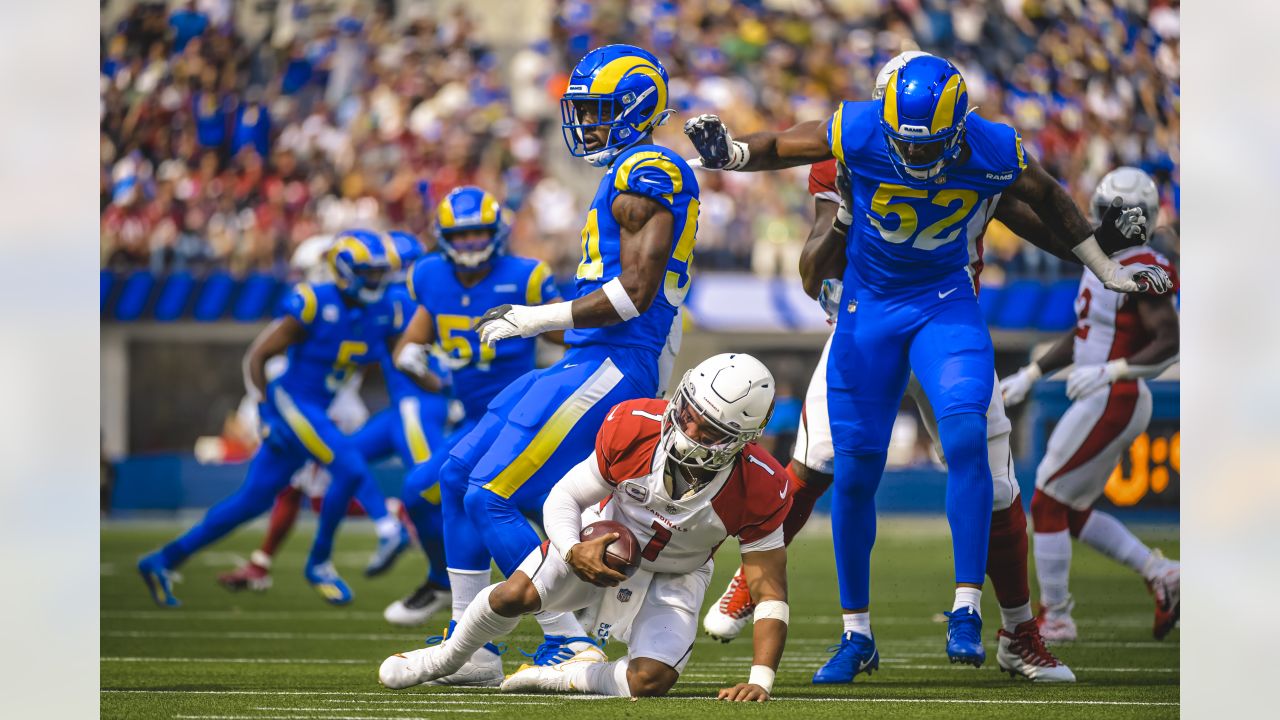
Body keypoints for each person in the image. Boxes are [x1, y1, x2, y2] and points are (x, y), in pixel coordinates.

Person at [684, 54, 1172, 675]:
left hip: (947, 319)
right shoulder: (855, 143)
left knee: (994, 483)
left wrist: (1106, 262)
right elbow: (811, 268)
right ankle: (756, 581)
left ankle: (1019, 631)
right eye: (905, 145)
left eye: (929, 145)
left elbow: (1040, 211)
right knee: (815, 466)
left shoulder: (983, 152)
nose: (915, 160)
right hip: (865, 321)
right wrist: (828, 208)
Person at [400, 43, 700, 683]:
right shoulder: (628, 168)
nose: (585, 124)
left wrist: (536, 316)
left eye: (596, 111)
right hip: (584, 360)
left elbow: (634, 297)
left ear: (633, 109)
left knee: (491, 494)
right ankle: (472, 642)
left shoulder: (651, 170)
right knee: (456, 474)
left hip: (613, 362)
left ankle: (567, 639)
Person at [379, 354, 791, 703]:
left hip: (678, 573)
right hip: (604, 533)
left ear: (743, 439)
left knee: (651, 680)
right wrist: (573, 547)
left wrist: (760, 681)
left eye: (710, 431)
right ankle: (445, 659)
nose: (689, 432)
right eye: (687, 414)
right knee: (514, 594)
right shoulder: (636, 424)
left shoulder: (762, 485)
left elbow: (768, 589)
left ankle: (557, 676)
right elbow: (565, 496)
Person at [137, 230, 433, 606]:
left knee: (252, 501)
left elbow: (401, 358)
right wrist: (262, 412)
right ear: (344, 272)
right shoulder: (313, 302)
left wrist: (440, 382)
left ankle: (163, 560)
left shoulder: (382, 310)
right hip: (290, 402)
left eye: (380, 273)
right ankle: (353, 544)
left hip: (317, 408)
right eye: (368, 273)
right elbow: (257, 356)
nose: (376, 280)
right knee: (349, 463)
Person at [1001, 167, 1181, 643]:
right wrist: (1033, 373)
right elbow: (1087, 331)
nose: (1102, 221)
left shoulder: (1144, 265)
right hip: (1104, 393)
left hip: (1114, 395)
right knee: (1068, 508)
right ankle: (1162, 574)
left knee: (1046, 500)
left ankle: (1056, 616)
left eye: (1110, 214)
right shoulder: (1100, 259)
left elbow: (1170, 342)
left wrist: (1112, 369)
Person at [217, 231, 451, 594]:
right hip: (355, 405)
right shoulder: (345, 304)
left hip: (379, 406)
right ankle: (279, 559)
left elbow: (394, 351)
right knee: (316, 481)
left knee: (429, 488)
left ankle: (411, 544)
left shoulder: (384, 303)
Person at [384, 187, 561, 631]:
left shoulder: (526, 274)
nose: (470, 244)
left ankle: (560, 602)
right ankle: (443, 580)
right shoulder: (429, 276)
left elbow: (567, 330)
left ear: (497, 232)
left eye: (478, 233)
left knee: (541, 504)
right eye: (461, 236)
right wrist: (418, 367)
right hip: (473, 419)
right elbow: (412, 342)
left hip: (522, 414)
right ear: (444, 237)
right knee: (418, 492)